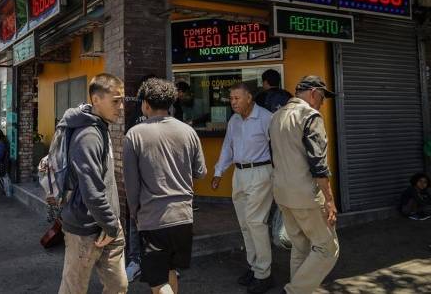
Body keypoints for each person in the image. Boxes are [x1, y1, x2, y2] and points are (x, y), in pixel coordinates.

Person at [123, 78, 207, 294]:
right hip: (183, 217)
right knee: (170, 270)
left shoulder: (134, 134)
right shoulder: (188, 132)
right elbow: (201, 172)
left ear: (146, 104)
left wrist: (134, 213)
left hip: (153, 218)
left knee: (158, 282)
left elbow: (131, 184)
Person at [269, 75, 339, 294]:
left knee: (301, 247)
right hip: (306, 195)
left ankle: (298, 290)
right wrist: (329, 199)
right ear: (313, 93)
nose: (323, 102)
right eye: (322, 97)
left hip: (282, 193)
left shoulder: (276, 117)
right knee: (328, 248)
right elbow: (318, 163)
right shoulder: (310, 116)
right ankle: (292, 291)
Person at [58, 73, 128, 294]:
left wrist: (111, 224)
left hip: (108, 225)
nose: (121, 107)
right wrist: (110, 224)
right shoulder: (88, 135)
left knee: (118, 287)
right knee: (74, 289)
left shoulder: (101, 127)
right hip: (84, 228)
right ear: (96, 100)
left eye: (122, 100)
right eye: (115, 101)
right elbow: (92, 191)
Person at [211, 83, 274, 294]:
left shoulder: (266, 118)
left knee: (256, 223)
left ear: (249, 98)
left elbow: (278, 147)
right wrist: (219, 172)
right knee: (245, 224)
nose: (233, 102)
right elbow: (228, 146)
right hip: (239, 174)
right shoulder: (234, 120)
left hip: (261, 172)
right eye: (231, 99)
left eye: (237, 98)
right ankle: (254, 266)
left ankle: (264, 275)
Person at [125, 74, 156, 283]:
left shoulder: (168, 115)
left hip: (159, 182)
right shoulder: (135, 113)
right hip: (140, 179)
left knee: (157, 225)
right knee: (135, 221)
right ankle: (135, 261)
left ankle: (162, 263)